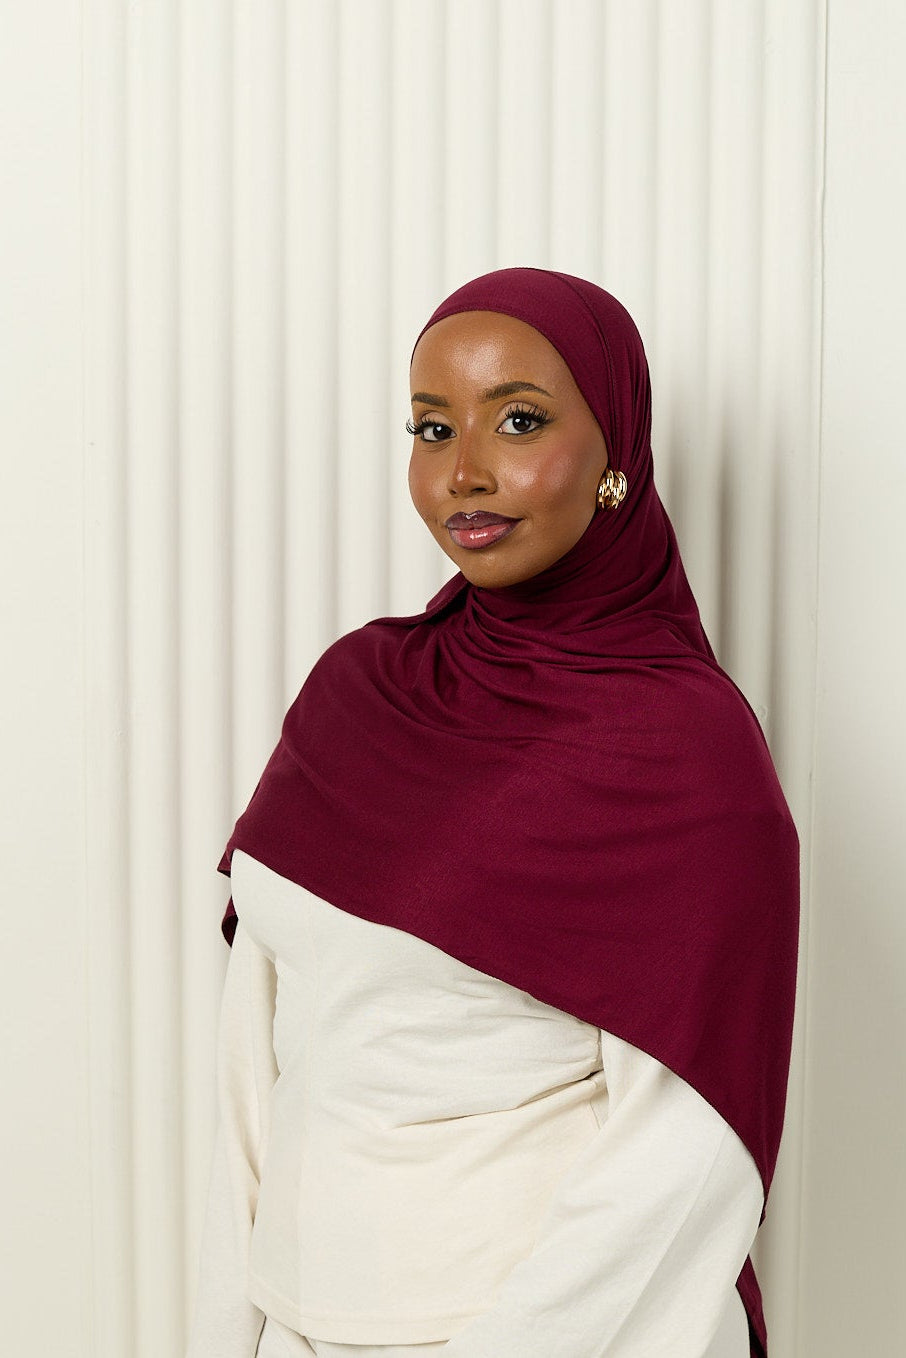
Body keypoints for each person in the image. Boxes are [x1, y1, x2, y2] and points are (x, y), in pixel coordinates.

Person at [186, 268, 799, 1358]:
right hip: (297, 1316)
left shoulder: (684, 750)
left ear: (617, 454)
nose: (463, 471)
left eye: (519, 420)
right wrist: (233, 1320)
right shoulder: (357, 691)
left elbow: (691, 1150)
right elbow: (260, 1047)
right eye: (431, 427)